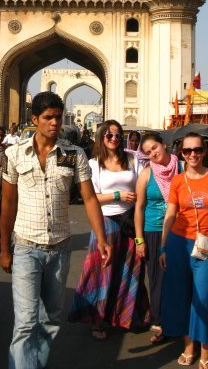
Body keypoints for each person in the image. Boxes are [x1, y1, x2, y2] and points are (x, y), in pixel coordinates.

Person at [0, 92, 112, 369]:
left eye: (58, 117)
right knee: (26, 322)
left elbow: (88, 198)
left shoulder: (74, 155)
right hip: (26, 247)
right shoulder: (13, 154)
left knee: (50, 319)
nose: (54, 123)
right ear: (35, 119)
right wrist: (4, 248)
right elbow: (8, 203)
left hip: (60, 249)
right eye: (48, 117)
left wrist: (101, 237)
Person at [68, 120, 150, 340]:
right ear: (101, 138)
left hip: (130, 221)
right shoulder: (94, 164)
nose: (114, 139)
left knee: (131, 269)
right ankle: (98, 319)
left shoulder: (133, 160)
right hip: (104, 221)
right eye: (109, 136)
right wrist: (118, 195)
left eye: (117, 135)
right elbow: (90, 197)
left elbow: (146, 184)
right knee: (103, 270)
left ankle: (129, 316)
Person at [159, 132, 208, 369]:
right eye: (187, 151)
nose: (192, 155)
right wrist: (162, 246)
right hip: (178, 242)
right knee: (181, 295)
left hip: (205, 245)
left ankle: (206, 348)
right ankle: (188, 345)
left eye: (197, 150)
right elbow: (170, 215)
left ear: (204, 151)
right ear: (182, 154)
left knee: (203, 295)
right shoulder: (178, 181)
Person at [134, 133, 180, 344]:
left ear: (164, 144)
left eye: (155, 147)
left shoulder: (181, 167)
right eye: (148, 152)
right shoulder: (146, 174)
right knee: (157, 279)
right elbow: (139, 207)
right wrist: (139, 239)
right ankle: (161, 322)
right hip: (152, 231)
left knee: (178, 278)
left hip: (179, 230)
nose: (153, 153)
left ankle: (179, 322)